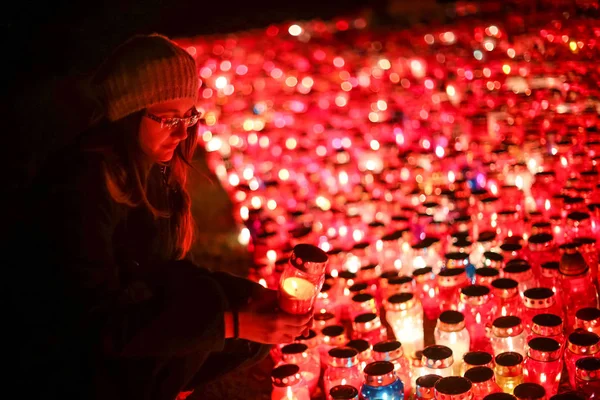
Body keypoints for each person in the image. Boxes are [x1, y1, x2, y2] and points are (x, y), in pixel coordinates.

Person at [8, 34, 312, 400]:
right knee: (214, 323)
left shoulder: (148, 167)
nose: (183, 132)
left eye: (189, 116)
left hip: (119, 328)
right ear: (128, 114)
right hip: (66, 362)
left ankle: (169, 386)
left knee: (244, 330)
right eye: (168, 118)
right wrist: (229, 322)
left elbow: (164, 270)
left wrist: (245, 298)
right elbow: (92, 324)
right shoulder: (80, 187)